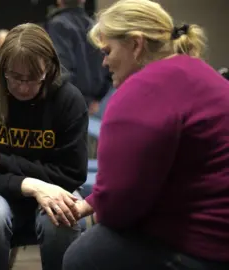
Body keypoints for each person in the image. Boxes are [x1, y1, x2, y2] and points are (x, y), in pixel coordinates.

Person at [63, 1, 229, 269]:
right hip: (217, 234)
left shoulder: (141, 90)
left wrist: (103, 204)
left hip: (203, 248)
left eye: (108, 51)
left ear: (136, 44)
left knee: (84, 254)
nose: (104, 62)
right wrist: (93, 201)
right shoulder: (200, 72)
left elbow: (117, 211)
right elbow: (156, 171)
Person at [0, 23, 88, 270]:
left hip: (54, 189)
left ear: (49, 68)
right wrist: (32, 184)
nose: (24, 87)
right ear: (1, 69)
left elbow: (71, 174)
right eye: (15, 77)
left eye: (33, 77)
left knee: (62, 218)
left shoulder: (68, 100)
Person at [46, 0, 111, 115]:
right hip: (96, 107)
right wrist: (96, 100)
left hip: (70, 108)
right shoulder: (95, 27)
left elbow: (62, 70)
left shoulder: (57, 25)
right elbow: (108, 70)